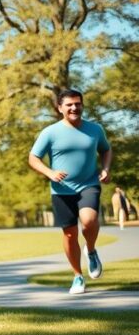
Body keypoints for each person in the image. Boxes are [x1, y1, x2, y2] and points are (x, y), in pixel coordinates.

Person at [28, 89, 112, 294]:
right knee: (69, 234)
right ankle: (77, 276)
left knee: (89, 220)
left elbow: (106, 149)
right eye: (69, 105)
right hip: (61, 190)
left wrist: (106, 169)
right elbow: (33, 158)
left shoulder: (95, 129)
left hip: (88, 184)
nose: (75, 107)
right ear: (60, 108)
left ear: (82, 105)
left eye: (78, 104)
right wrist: (50, 173)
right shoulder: (50, 132)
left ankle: (91, 250)